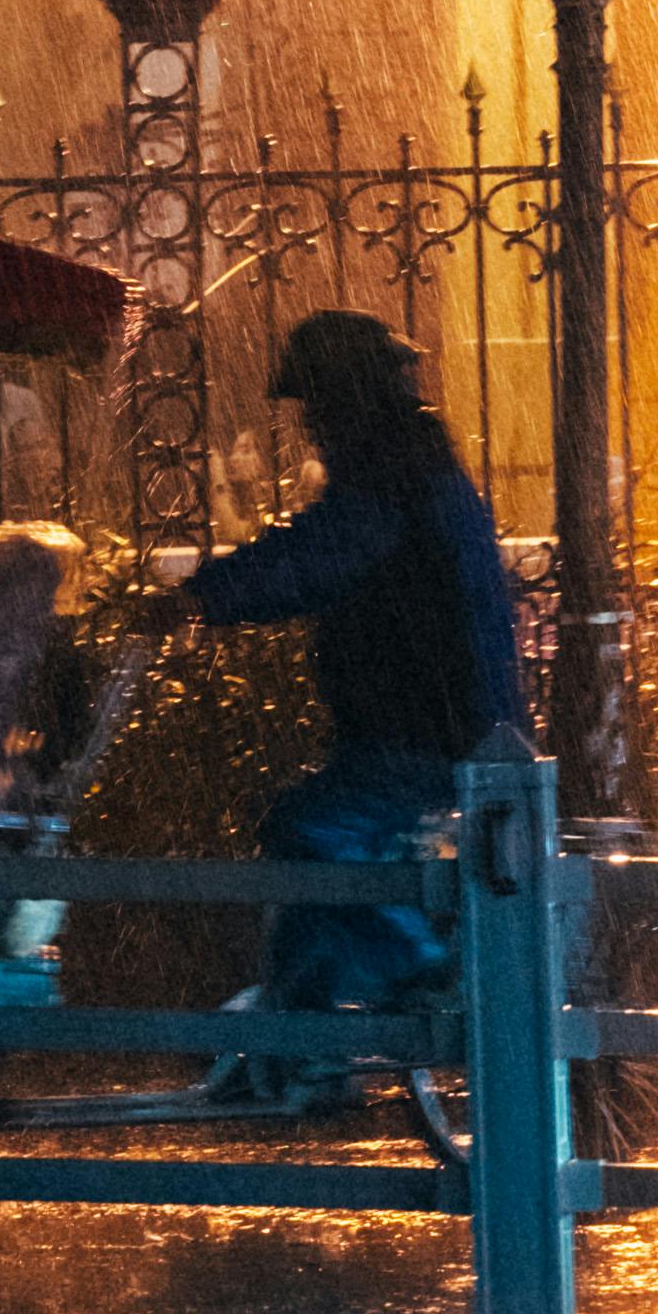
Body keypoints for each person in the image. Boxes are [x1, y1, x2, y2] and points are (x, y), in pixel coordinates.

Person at [181, 312, 533, 1071]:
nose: (309, 425)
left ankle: (422, 968)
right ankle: (300, 1048)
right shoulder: (414, 464)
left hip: (426, 727)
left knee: (311, 833)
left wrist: (206, 596)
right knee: (319, 874)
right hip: (440, 716)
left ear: (346, 398)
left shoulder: (390, 475)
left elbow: (319, 557)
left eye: (315, 404)